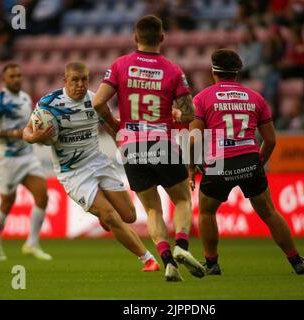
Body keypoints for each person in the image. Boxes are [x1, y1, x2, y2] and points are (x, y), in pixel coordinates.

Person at [92, 15, 205, 281]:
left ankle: (167, 262)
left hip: (131, 147)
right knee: (181, 199)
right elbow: (190, 115)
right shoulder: (173, 70)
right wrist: (177, 114)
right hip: (161, 143)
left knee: (153, 210)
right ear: (162, 38)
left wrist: (115, 124)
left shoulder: (120, 65)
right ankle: (181, 246)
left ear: (135, 38)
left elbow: (98, 102)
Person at [23, 62, 160, 272]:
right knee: (111, 216)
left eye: (84, 80)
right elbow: (26, 131)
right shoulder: (48, 104)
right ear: (65, 81)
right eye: (74, 80)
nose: (80, 85)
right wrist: (34, 137)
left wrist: (125, 149)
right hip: (73, 172)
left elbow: (112, 126)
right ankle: (148, 259)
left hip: (98, 161)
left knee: (129, 216)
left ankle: (107, 219)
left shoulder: (94, 100)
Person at [189, 49, 304, 275]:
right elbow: (271, 140)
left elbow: (194, 137)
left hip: (219, 162)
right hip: (249, 158)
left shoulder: (202, 98)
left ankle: (212, 263)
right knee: (269, 212)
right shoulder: (255, 97)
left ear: (213, 70)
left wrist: (191, 164)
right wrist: (256, 162)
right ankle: (296, 261)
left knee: (206, 212)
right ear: (237, 72)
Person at [0, 63, 52, 261]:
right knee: (7, 202)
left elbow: (28, 126)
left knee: (42, 195)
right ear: (4, 80)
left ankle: (32, 243)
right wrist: (12, 133)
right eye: (12, 76)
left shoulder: (25, 98)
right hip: (7, 159)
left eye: (19, 75)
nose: (17, 79)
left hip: (27, 156)